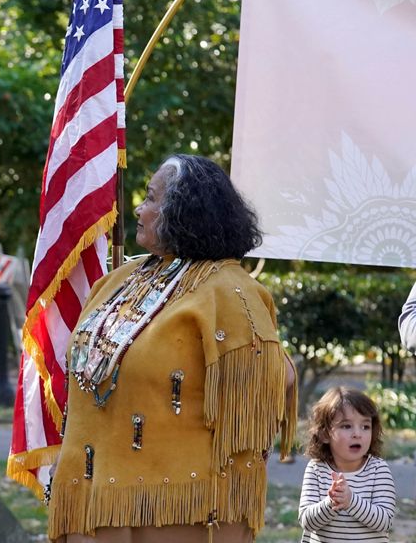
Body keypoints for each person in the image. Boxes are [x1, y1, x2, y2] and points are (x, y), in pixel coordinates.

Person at [47, 154, 297, 542]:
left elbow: (266, 390)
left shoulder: (230, 291)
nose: (139, 209)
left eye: (150, 198)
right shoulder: (118, 280)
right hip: (92, 498)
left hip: (176, 510)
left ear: (183, 212)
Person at [298, 387, 395, 542]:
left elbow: (385, 521)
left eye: (365, 426)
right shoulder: (316, 469)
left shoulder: (378, 469)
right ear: (324, 434)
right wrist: (331, 503)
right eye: (346, 426)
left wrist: (351, 501)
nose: (357, 433)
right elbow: (306, 522)